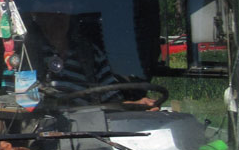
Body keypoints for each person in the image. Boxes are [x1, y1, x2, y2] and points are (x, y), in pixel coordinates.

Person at [25, 8, 159, 109]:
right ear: (36, 15)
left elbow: (112, 103)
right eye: (50, 12)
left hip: (89, 134)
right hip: (40, 138)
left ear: (70, 12)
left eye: (62, 12)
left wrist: (136, 106)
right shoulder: (26, 55)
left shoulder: (90, 53)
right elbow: (19, 106)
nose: (57, 19)